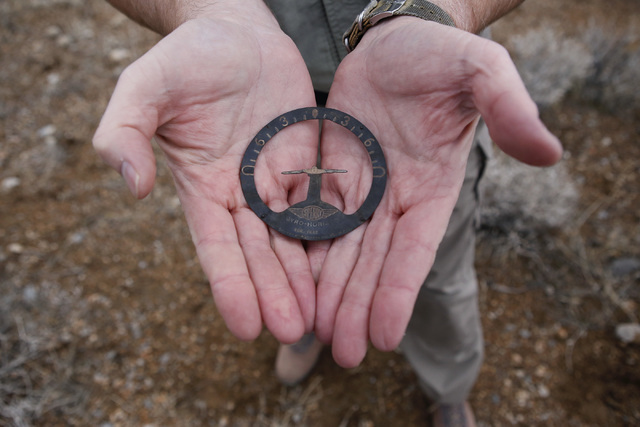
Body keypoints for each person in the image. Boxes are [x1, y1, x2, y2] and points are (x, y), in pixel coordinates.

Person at [93, 1, 562, 425]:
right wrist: (209, 11)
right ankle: (305, 326)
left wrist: (431, 10)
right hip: (250, 89)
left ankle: (449, 388)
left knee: (435, 275)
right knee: (288, 260)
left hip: (418, 103)